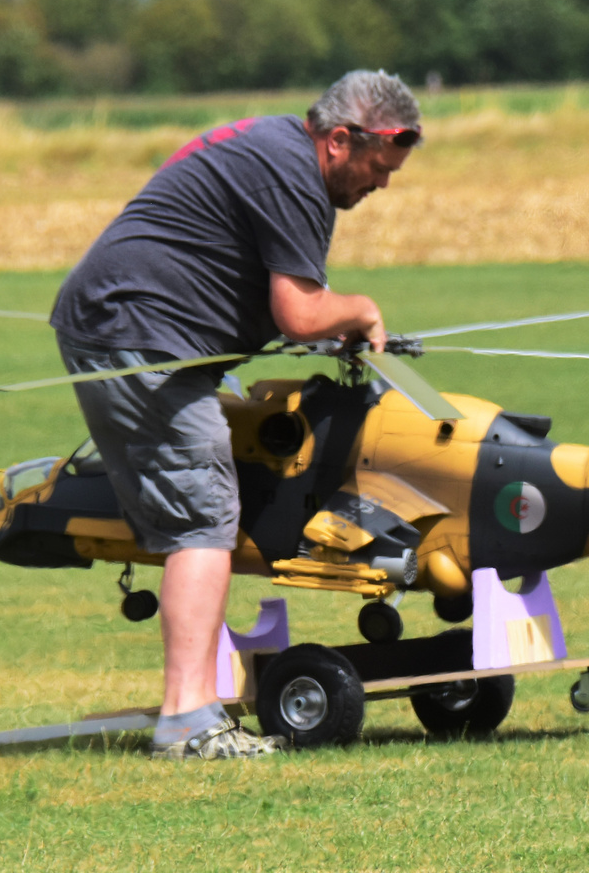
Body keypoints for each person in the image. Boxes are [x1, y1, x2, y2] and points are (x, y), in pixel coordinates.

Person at [49, 70, 422, 759]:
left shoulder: (282, 153)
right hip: (139, 337)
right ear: (340, 141)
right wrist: (361, 311)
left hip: (130, 328)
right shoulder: (293, 174)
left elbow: (293, 289)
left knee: (207, 504)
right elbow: (301, 313)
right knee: (204, 517)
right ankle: (188, 723)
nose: (383, 184)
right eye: (378, 167)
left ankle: (186, 714)